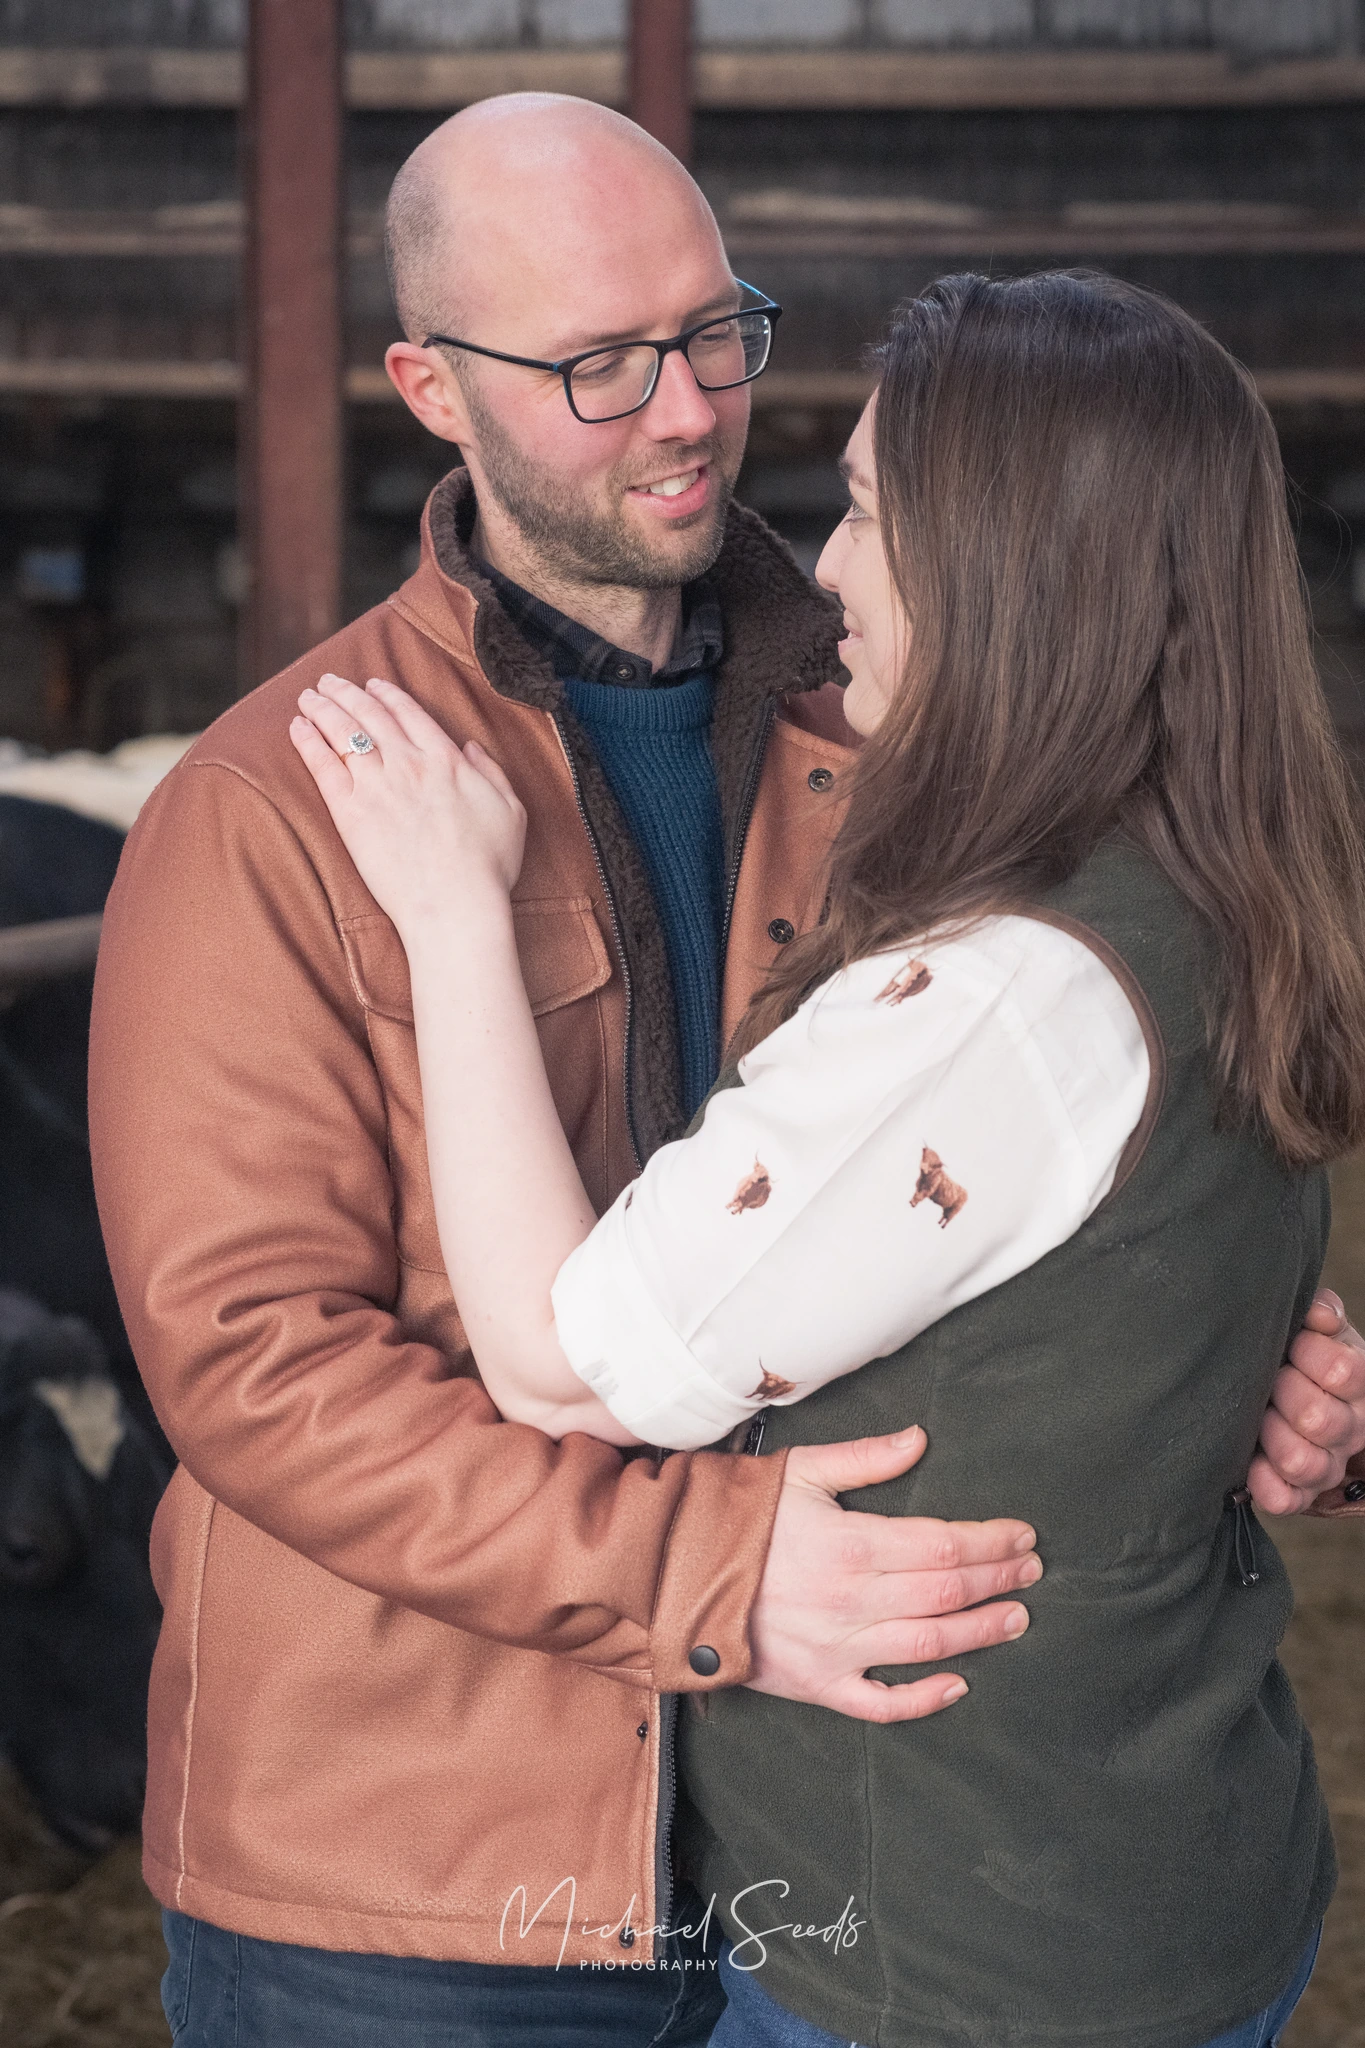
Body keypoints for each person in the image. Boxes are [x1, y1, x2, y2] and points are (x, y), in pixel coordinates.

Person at [86, 93, 1364, 2046]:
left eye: (714, 330)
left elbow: (1050, 1140)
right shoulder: (275, 810)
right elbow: (258, 1365)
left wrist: (1223, 1339)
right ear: (430, 385)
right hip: (428, 1863)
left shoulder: (923, 721)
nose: (686, 408)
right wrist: (707, 1571)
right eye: (600, 364)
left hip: (846, 1843)